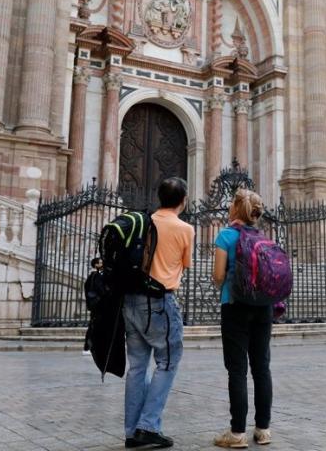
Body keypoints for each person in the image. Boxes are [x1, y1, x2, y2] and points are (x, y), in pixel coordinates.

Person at [123, 177, 193, 449]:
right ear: (183, 201)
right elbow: (185, 263)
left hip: (131, 301)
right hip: (159, 302)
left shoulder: (144, 222)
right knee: (167, 363)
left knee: (137, 367)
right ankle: (148, 427)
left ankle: (131, 431)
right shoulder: (184, 229)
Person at [212, 189, 274, 448]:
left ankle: (237, 433)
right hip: (263, 307)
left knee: (236, 369)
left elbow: (217, 276)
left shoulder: (226, 236)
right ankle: (263, 430)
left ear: (235, 209)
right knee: (261, 367)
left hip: (235, 305)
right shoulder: (264, 239)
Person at [83, 257, 105, 354]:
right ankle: (88, 347)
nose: (103, 264)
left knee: (94, 326)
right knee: (94, 326)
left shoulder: (92, 276)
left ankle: (90, 347)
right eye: (101, 263)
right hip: (98, 306)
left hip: (95, 306)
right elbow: (101, 291)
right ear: (96, 265)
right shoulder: (95, 276)